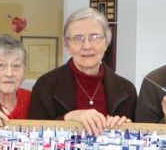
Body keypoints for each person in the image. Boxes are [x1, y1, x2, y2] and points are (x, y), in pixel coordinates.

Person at [30, 7, 136, 135]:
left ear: (106, 42)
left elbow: (138, 139)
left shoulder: (127, 90)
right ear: (68, 46)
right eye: (78, 38)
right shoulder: (46, 85)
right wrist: (67, 118)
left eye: (95, 37)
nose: (87, 46)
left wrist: (125, 129)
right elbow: (34, 136)